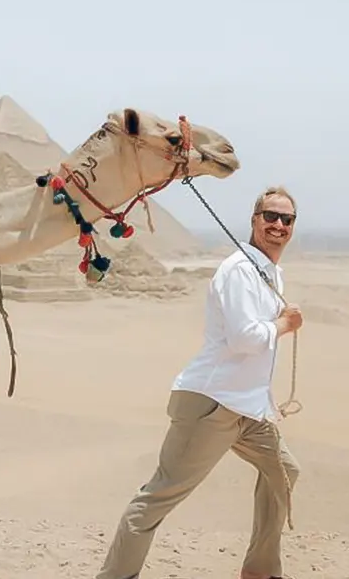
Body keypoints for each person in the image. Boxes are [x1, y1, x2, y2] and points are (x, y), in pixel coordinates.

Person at [95, 186, 305, 579]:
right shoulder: (241, 270)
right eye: (270, 216)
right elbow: (245, 339)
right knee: (159, 496)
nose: (278, 225)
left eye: (286, 219)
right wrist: (284, 325)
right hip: (211, 404)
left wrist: (264, 397)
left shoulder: (270, 271)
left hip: (246, 408)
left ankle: (260, 570)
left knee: (284, 471)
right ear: (255, 219)